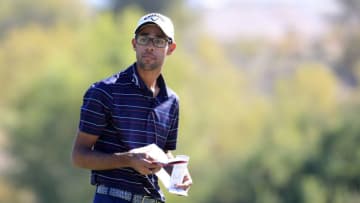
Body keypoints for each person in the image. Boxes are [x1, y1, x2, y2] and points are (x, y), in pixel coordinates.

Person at [71, 13, 192, 203]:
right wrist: (128, 159)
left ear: (171, 48)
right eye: (144, 39)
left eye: (159, 40)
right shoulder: (104, 92)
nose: (150, 46)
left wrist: (177, 172)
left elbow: (163, 152)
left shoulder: (171, 101)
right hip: (112, 198)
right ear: (134, 43)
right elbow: (79, 156)